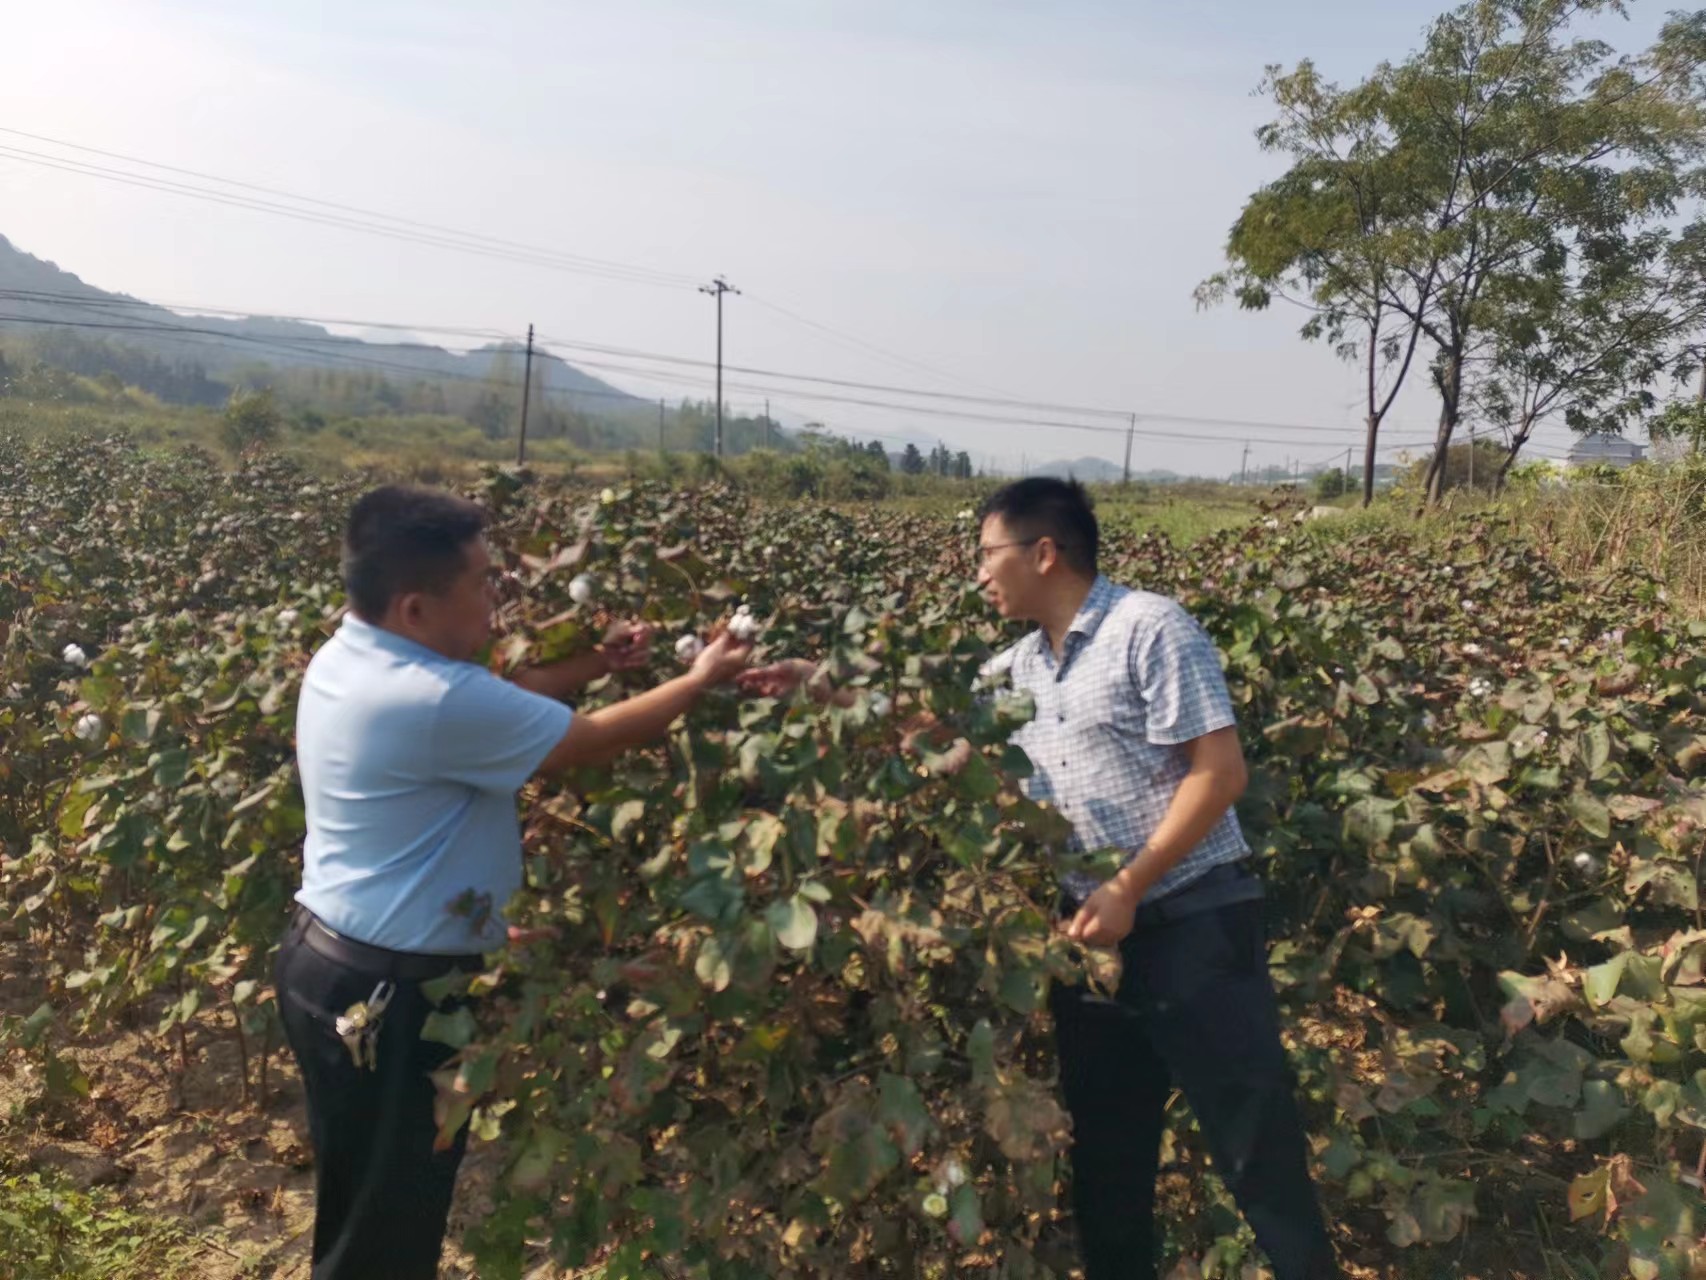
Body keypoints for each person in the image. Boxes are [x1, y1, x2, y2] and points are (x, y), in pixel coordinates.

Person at [743, 478, 1337, 1280]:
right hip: (1090, 944)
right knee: (1108, 1164)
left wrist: (1128, 885)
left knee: (1253, 1148)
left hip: (1196, 923)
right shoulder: (1018, 669)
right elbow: (937, 731)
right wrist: (815, 681)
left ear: (1044, 552)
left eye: (988, 555)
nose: (980, 574)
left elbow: (1219, 772)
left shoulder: (1148, 628)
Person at [276, 484, 752, 1280]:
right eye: (481, 584)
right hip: (389, 1001)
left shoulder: (354, 653)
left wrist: (598, 660)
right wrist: (699, 680)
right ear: (418, 607)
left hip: (332, 965)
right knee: (385, 1241)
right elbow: (586, 741)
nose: (495, 599)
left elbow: (500, 703)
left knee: (362, 1208)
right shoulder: (426, 697)